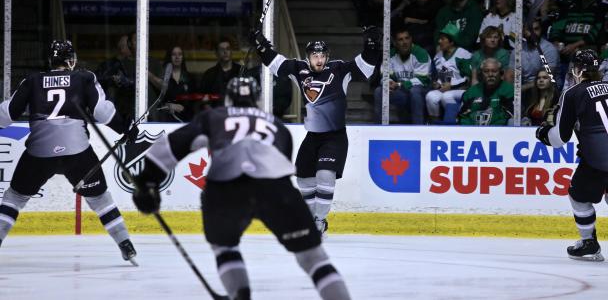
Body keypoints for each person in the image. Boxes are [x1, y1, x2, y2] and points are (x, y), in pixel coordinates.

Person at [132, 76, 352, 300]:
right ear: (257, 100)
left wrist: (148, 182)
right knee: (314, 258)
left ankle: (240, 295)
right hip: (275, 187)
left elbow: (170, 146)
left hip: (225, 188)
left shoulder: (214, 117)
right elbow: (280, 169)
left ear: (228, 99)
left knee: (225, 247)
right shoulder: (278, 127)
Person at [0, 40, 137, 263]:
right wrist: (125, 128)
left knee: (14, 198)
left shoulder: (32, 81)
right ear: (71, 60)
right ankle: (125, 244)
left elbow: (7, 115)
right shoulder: (84, 77)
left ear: (50, 60)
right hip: (77, 152)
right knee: (101, 200)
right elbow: (102, 112)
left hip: (39, 152)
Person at [251, 26, 380, 235]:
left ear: (327, 57)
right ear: (308, 57)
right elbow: (275, 63)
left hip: (335, 137)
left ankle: (319, 221)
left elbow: (366, 67)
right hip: (312, 137)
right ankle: (311, 219)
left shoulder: (339, 69)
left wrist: (372, 44)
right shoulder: (299, 69)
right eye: (314, 55)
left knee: (325, 175)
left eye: (322, 55)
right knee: (302, 178)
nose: (319, 59)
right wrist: (260, 44)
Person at [536, 49, 608, 261]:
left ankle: (589, 243)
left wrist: (543, 133)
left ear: (576, 69)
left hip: (598, 160)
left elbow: (559, 139)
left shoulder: (572, 93)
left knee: (578, 196)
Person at [374, 27, 432, 124]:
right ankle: (379, 127)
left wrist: (400, 84)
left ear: (411, 39)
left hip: (422, 91)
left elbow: (423, 79)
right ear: (396, 43)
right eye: (400, 40)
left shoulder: (421, 53)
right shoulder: (390, 55)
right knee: (379, 91)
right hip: (402, 92)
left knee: (415, 91)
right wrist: (389, 82)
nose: (404, 42)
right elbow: (384, 74)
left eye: (407, 38)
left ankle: (419, 129)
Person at [426, 22, 472, 124]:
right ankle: (435, 125)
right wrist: (436, 83)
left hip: (461, 90)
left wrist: (451, 86)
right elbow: (436, 75)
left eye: (443, 39)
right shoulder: (438, 55)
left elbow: (469, 79)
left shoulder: (462, 54)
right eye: (439, 38)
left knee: (446, 96)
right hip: (444, 89)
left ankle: (453, 123)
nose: (439, 41)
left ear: (451, 42)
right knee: (431, 96)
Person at [458, 58, 513, 125]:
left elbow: (510, 116)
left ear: (501, 73)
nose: (490, 74)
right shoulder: (471, 92)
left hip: (498, 132)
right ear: (481, 74)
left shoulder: (509, 90)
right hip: (472, 132)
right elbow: (462, 117)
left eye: (494, 71)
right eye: (486, 71)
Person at [156, 46, 196, 122]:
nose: (177, 57)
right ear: (169, 57)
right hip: (165, 120)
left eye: (180, 54)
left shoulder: (190, 78)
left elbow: (194, 102)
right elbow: (157, 102)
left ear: (182, 57)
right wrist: (168, 106)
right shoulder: (163, 78)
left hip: (186, 119)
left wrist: (183, 108)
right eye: (174, 54)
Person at [199, 37, 242, 108]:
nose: (225, 52)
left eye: (228, 49)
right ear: (216, 53)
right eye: (222, 49)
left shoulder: (241, 71)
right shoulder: (209, 74)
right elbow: (203, 99)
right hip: (216, 115)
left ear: (231, 51)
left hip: (236, 114)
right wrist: (210, 112)